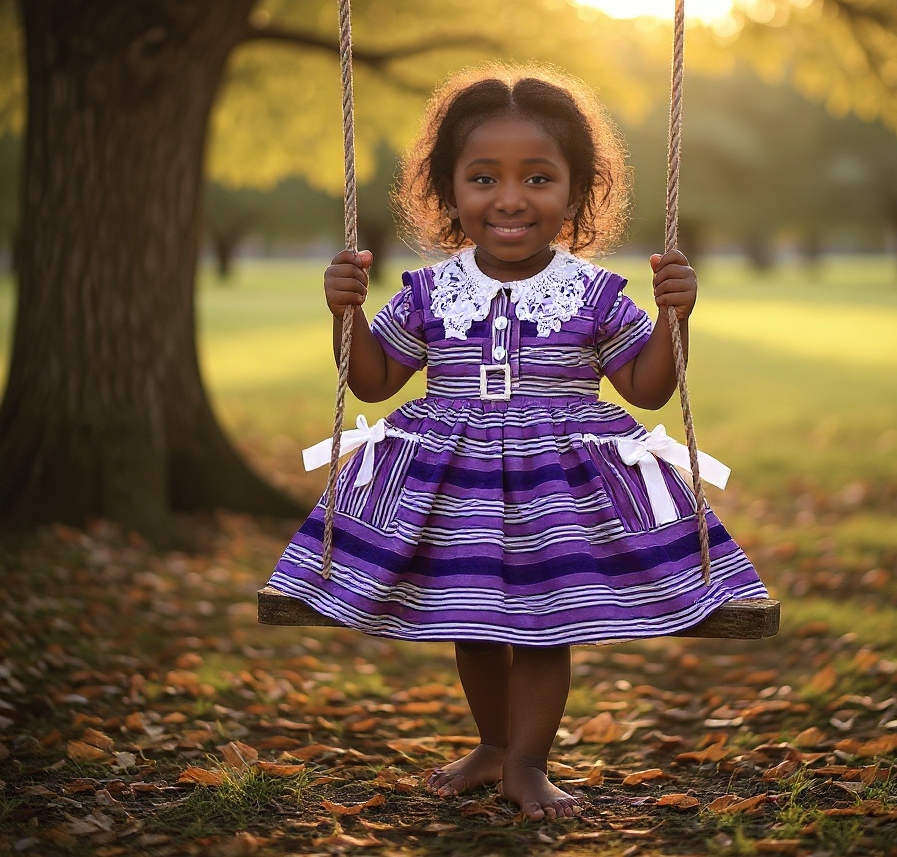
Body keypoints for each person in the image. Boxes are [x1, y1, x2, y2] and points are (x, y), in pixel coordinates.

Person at [268, 64, 768, 821]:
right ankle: (495, 745)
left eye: (538, 178)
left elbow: (646, 389)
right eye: (483, 178)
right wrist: (346, 315)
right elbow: (372, 382)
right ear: (449, 191)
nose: (510, 198)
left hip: (557, 489)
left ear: (575, 191)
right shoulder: (429, 293)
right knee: (472, 621)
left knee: (542, 628)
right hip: (455, 484)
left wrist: (676, 317)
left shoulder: (594, 294)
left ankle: (528, 764)